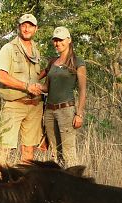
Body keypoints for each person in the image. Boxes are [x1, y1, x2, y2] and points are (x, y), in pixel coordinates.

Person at [0, 13, 43, 163]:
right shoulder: (8, 48)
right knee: (4, 148)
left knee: (29, 149)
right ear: (19, 28)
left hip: (34, 106)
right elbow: (1, 76)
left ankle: (24, 184)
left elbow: (35, 77)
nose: (27, 28)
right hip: (14, 105)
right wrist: (26, 87)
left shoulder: (36, 51)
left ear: (36, 29)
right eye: (24, 25)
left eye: (30, 25)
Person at [41, 26, 87, 167]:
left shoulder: (77, 62)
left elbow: (82, 89)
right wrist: (32, 86)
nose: (57, 43)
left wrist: (79, 114)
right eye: (55, 40)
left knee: (69, 152)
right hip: (49, 111)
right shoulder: (52, 62)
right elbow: (46, 87)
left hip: (66, 111)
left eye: (60, 40)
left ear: (69, 40)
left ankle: (75, 184)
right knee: (55, 152)